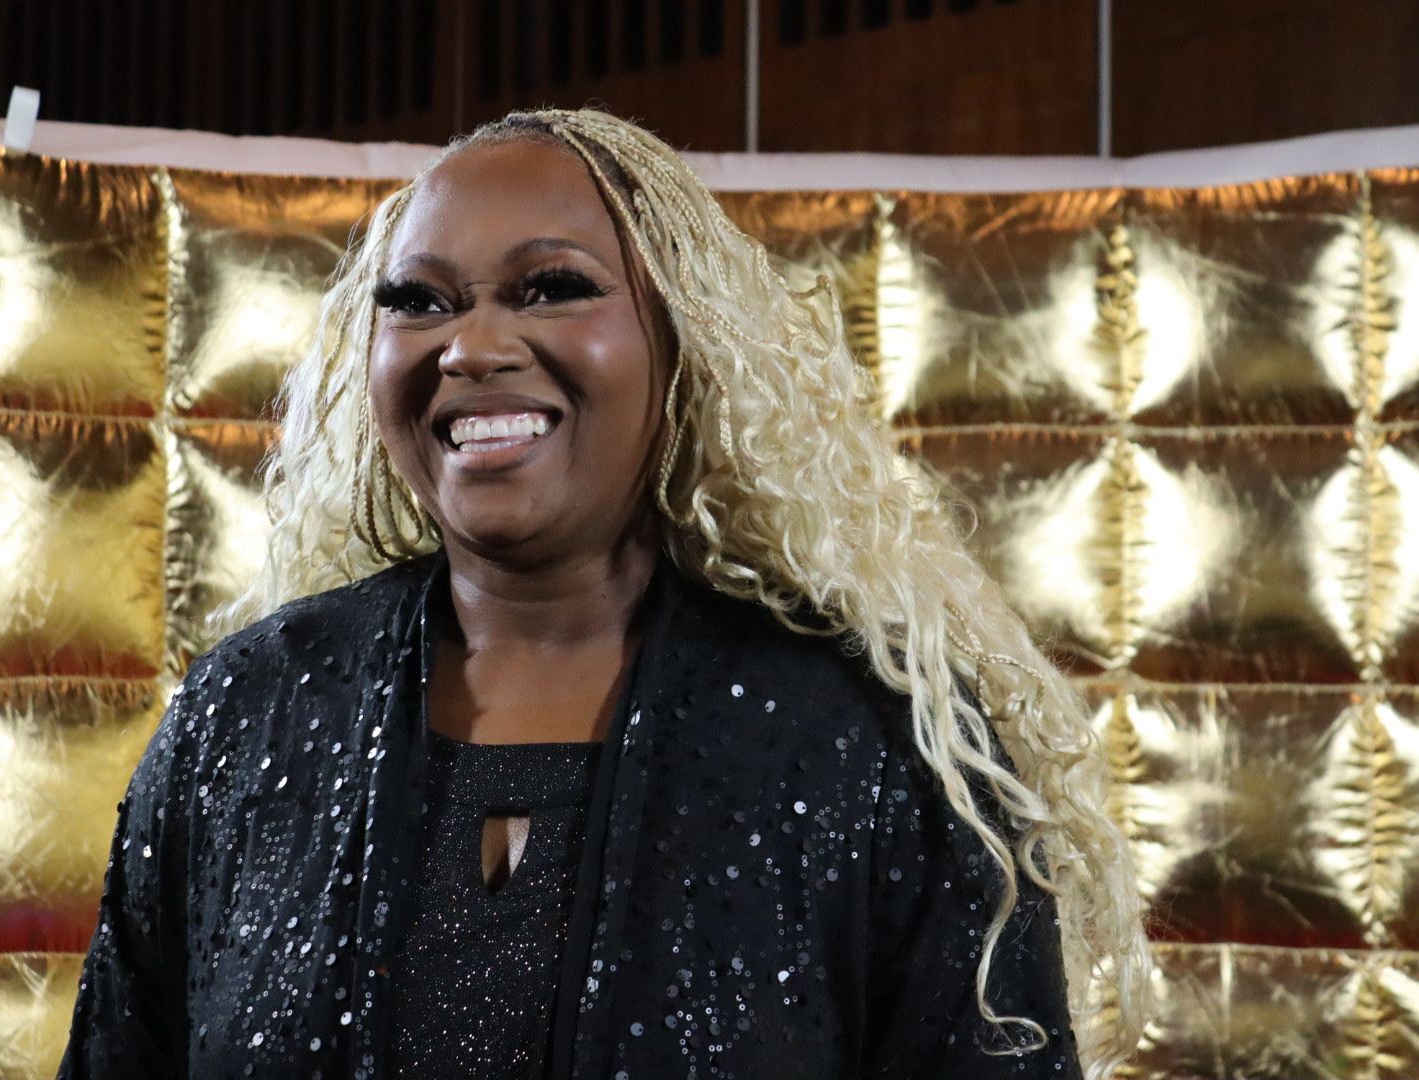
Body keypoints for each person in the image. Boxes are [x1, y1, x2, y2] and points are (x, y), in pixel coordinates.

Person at [58, 108, 1150, 1079]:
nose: (473, 345)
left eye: (553, 287)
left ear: (679, 344)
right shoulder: (244, 714)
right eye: (421, 302)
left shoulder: (881, 739)